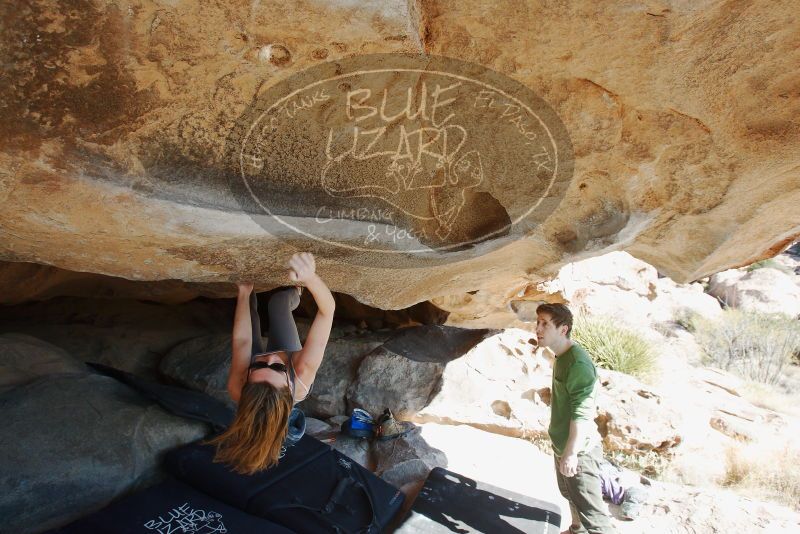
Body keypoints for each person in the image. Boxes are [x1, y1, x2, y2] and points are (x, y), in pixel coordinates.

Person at [208, 252, 335, 474]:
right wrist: (310, 278)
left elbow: (242, 341)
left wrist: (244, 291)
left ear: (248, 380)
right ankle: (296, 293)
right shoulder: (301, 371)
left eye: (258, 367)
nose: (270, 358)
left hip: (265, 375)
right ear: (288, 385)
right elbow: (327, 311)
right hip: (291, 356)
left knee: (248, 307)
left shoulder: (238, 386)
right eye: (277, 368)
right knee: (278, 304)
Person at [535, 303, 616, 534]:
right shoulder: (561, 356)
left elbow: (582, 413)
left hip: (580, 451)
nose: (538, 329)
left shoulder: (577, 363)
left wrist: (571, 453)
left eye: (545, 324)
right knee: (569, 494)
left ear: (563, 329)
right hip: (564, 443)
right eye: (538, 322)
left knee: (594, 516)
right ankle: (576, 530)